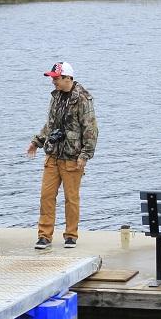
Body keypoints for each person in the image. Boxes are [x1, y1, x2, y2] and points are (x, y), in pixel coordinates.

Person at [26, 62, 98, 249]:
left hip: (73, 158)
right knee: (46, 196)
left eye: (56, 78)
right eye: (52, 78)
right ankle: (44, 236)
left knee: (71, 198)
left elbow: (90, 129)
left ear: (68, 78)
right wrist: (37, 141)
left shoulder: (83, 98)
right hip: (52, 155)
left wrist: (85, 155)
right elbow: (50, 124)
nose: (53, 82)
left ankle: (71, 236)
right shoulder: (56, 96)